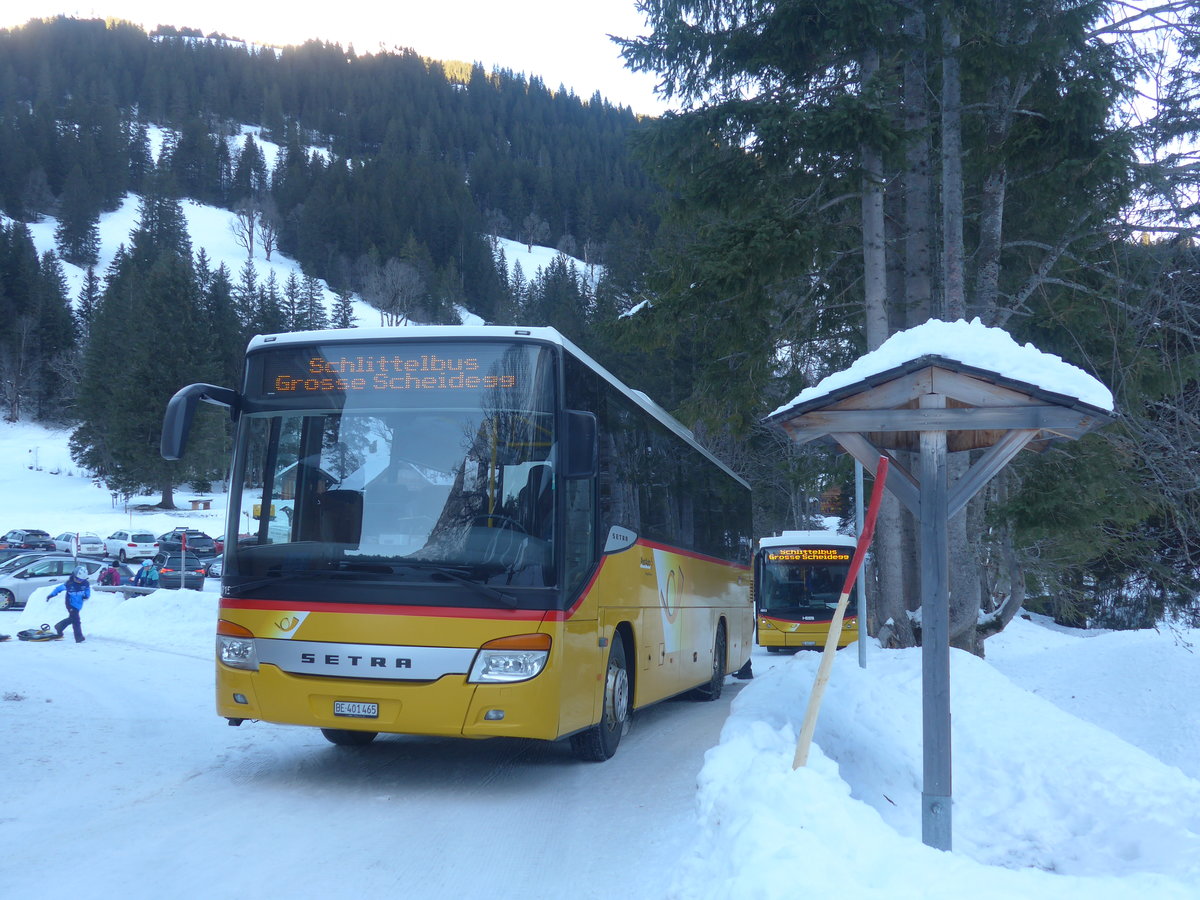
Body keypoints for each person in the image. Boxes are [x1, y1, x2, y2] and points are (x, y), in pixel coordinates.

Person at [49, 565, 92, 643]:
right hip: (70, 604)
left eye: (81, 580)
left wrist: (87, 595)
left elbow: (87, 589)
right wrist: (52, 595)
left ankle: (59, 626)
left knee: (72, 618)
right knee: (76, 620)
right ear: (74, 576)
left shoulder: (85, 583)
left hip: (78, 604)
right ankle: (79, 637)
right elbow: (58, 589)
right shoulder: (69, 584)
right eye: (78, 579)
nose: (79, 581)